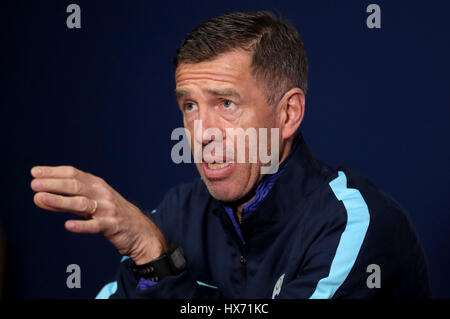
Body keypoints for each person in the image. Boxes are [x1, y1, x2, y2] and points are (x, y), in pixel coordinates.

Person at [30, 11, 431, 298]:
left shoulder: (353, 225)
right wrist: (151, 255)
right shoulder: (177, 212)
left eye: (226, 104)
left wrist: (155, 257)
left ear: (287, 113)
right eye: (189, 106)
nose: (201, 134)